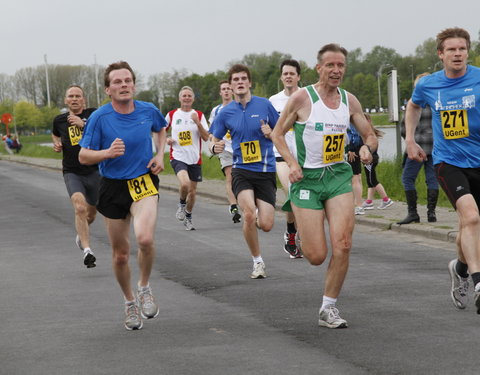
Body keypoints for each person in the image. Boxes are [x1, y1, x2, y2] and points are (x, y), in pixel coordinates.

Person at [271, 44, 377, 328]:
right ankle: (304, 231)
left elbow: (369, 134)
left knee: (343, 243)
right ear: (319, 68)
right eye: (330, 65)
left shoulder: (349, 100)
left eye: (341, 65)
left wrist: (367, 147)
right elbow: (278, 134)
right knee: (316, 256)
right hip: (307, 180)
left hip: (338, 176)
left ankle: (328, 307)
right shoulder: (303, 98)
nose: (336, 70)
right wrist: (292, 164)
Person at [79, 61, 167, 330]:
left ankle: (144, 287)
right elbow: (84, 155)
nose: (124, 85)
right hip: (113, 186)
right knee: (120, 255)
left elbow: (161, 128)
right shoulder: (100, 118)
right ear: (108, 89)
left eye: (128, 80)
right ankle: (129, 302)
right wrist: (106, 153)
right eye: (117, 82)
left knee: (145, 238)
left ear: (134, 85)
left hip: (143, 182)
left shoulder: (148, 110)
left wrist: (160, 154)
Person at [405, 27, 480, 314]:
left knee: (470, 226)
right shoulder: (429, 85)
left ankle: (460, 267)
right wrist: (410, 140)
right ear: (441, 55)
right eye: (451, 49)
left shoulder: (478, 78)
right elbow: (413, 107)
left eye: (462, 49)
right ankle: (477, 282)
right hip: (449, 162)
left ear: (467, 52)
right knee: (471, 217)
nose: (457, 54)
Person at [210, 64, 279, 279]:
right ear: (230, 86)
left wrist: (271, 133)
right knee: (248, 214)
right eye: (235, 80)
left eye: (243, 79)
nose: (239, 82)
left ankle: (257, 219)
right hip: (241, 170)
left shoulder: (265, 105)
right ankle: (257, 262)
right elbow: (214, 140)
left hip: (266, 170)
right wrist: (214, 147)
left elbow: (281, 132)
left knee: (266, 225)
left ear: (249, 83)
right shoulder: (225, 112)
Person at [52, 85, 99, 268]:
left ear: (83, 99)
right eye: (70, 96)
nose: (74, 99)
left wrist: (83, 124)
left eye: (77, 96)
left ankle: (82, 234)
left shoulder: (94, 115)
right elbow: (56, 136)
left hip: (94, 170)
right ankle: (87, 250)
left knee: (91, 213)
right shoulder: (59, 120)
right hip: (72, 171)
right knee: (80, 207)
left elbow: (103, 133)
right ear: (66, 100)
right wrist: (57, 145)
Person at [269, 59, 303, 258]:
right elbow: (268, 128)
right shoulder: (273, 101)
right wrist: (266, 131)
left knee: (303, 199)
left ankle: (294, 231)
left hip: (305, 158)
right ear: (281, 77)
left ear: (298, 76)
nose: (288, 76)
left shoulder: (306, 96)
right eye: (285, 74)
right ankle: (293, 235)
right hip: (281, 156)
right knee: (293, 192)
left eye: (292, 73)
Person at [165, 86, 210, 231]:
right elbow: (160, 131)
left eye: (189, 96)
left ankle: (188, 216)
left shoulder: (199, 115)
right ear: (179, 98)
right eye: (184, 95)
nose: (186, 98)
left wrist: (197, 123)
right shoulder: (172, 115)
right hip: (178, 156)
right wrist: (167, 138)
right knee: (185, 184)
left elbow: (205, 137)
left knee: (193, 192)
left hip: (194, 158)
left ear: (193, 98)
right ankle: (181, 204)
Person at [397, 73, 438, 224]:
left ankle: (413, 212)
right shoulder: (437, 102)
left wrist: (410, 141)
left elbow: (404, 128)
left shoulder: (413, 103)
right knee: (432, 180)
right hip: (434, 147)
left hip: (416, 146)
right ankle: (431, 213)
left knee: (408, 178)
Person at [208, 80, 241, 224]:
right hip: (225, 148)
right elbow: (211, 133)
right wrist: (214, 144)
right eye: (224, 89)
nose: (226, 91)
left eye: (228, 88)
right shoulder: (216, 111)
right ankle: (234, 206)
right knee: (230, 176)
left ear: (232, 90)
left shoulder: (240, 107)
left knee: (243, 177)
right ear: (220, 92)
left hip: (241, 148)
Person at [360, 113, 393, 210]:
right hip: (369, 159)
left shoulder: (369, 134)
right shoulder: (366, 132)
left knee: (373, 180)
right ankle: (369, 201)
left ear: (368, 121)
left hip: (370, 160)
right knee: (370, 180)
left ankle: (386, 199)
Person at [346, 124, 365, 215]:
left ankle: (359, 205)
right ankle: (357, 203)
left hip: (352, 151)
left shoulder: (350, 120)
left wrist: (351, 149)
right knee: (358, 177)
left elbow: (354, 134)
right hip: (357, 149)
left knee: (355, 179)